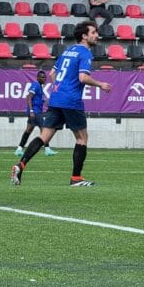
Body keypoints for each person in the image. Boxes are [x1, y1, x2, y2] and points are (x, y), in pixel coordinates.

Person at [11, 20, 112, 187]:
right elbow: (82, 78)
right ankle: (76, 178)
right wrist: (100, 84)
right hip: (71, 100)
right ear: (84, 36)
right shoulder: (85, 53)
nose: (97, 35)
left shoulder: (68, 51)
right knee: (82, 137)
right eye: (93, 32)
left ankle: (20, 164)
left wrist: (60, 86)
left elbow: (52, 74)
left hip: (56, 98)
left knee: (44, 136)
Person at [15, 70, 57, 157]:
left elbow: (35, 98)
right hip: (35, 112)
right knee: (44, 130)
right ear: (38, 78)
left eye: (45, 77)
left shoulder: (39, 86)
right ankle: (47, 149)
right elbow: (29, 97)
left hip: (36, 111)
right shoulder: (35, 85)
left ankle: (19, 149)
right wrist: (31, 111)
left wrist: (44, 101)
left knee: (28, 131)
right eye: (42, 77)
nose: (44, 79)